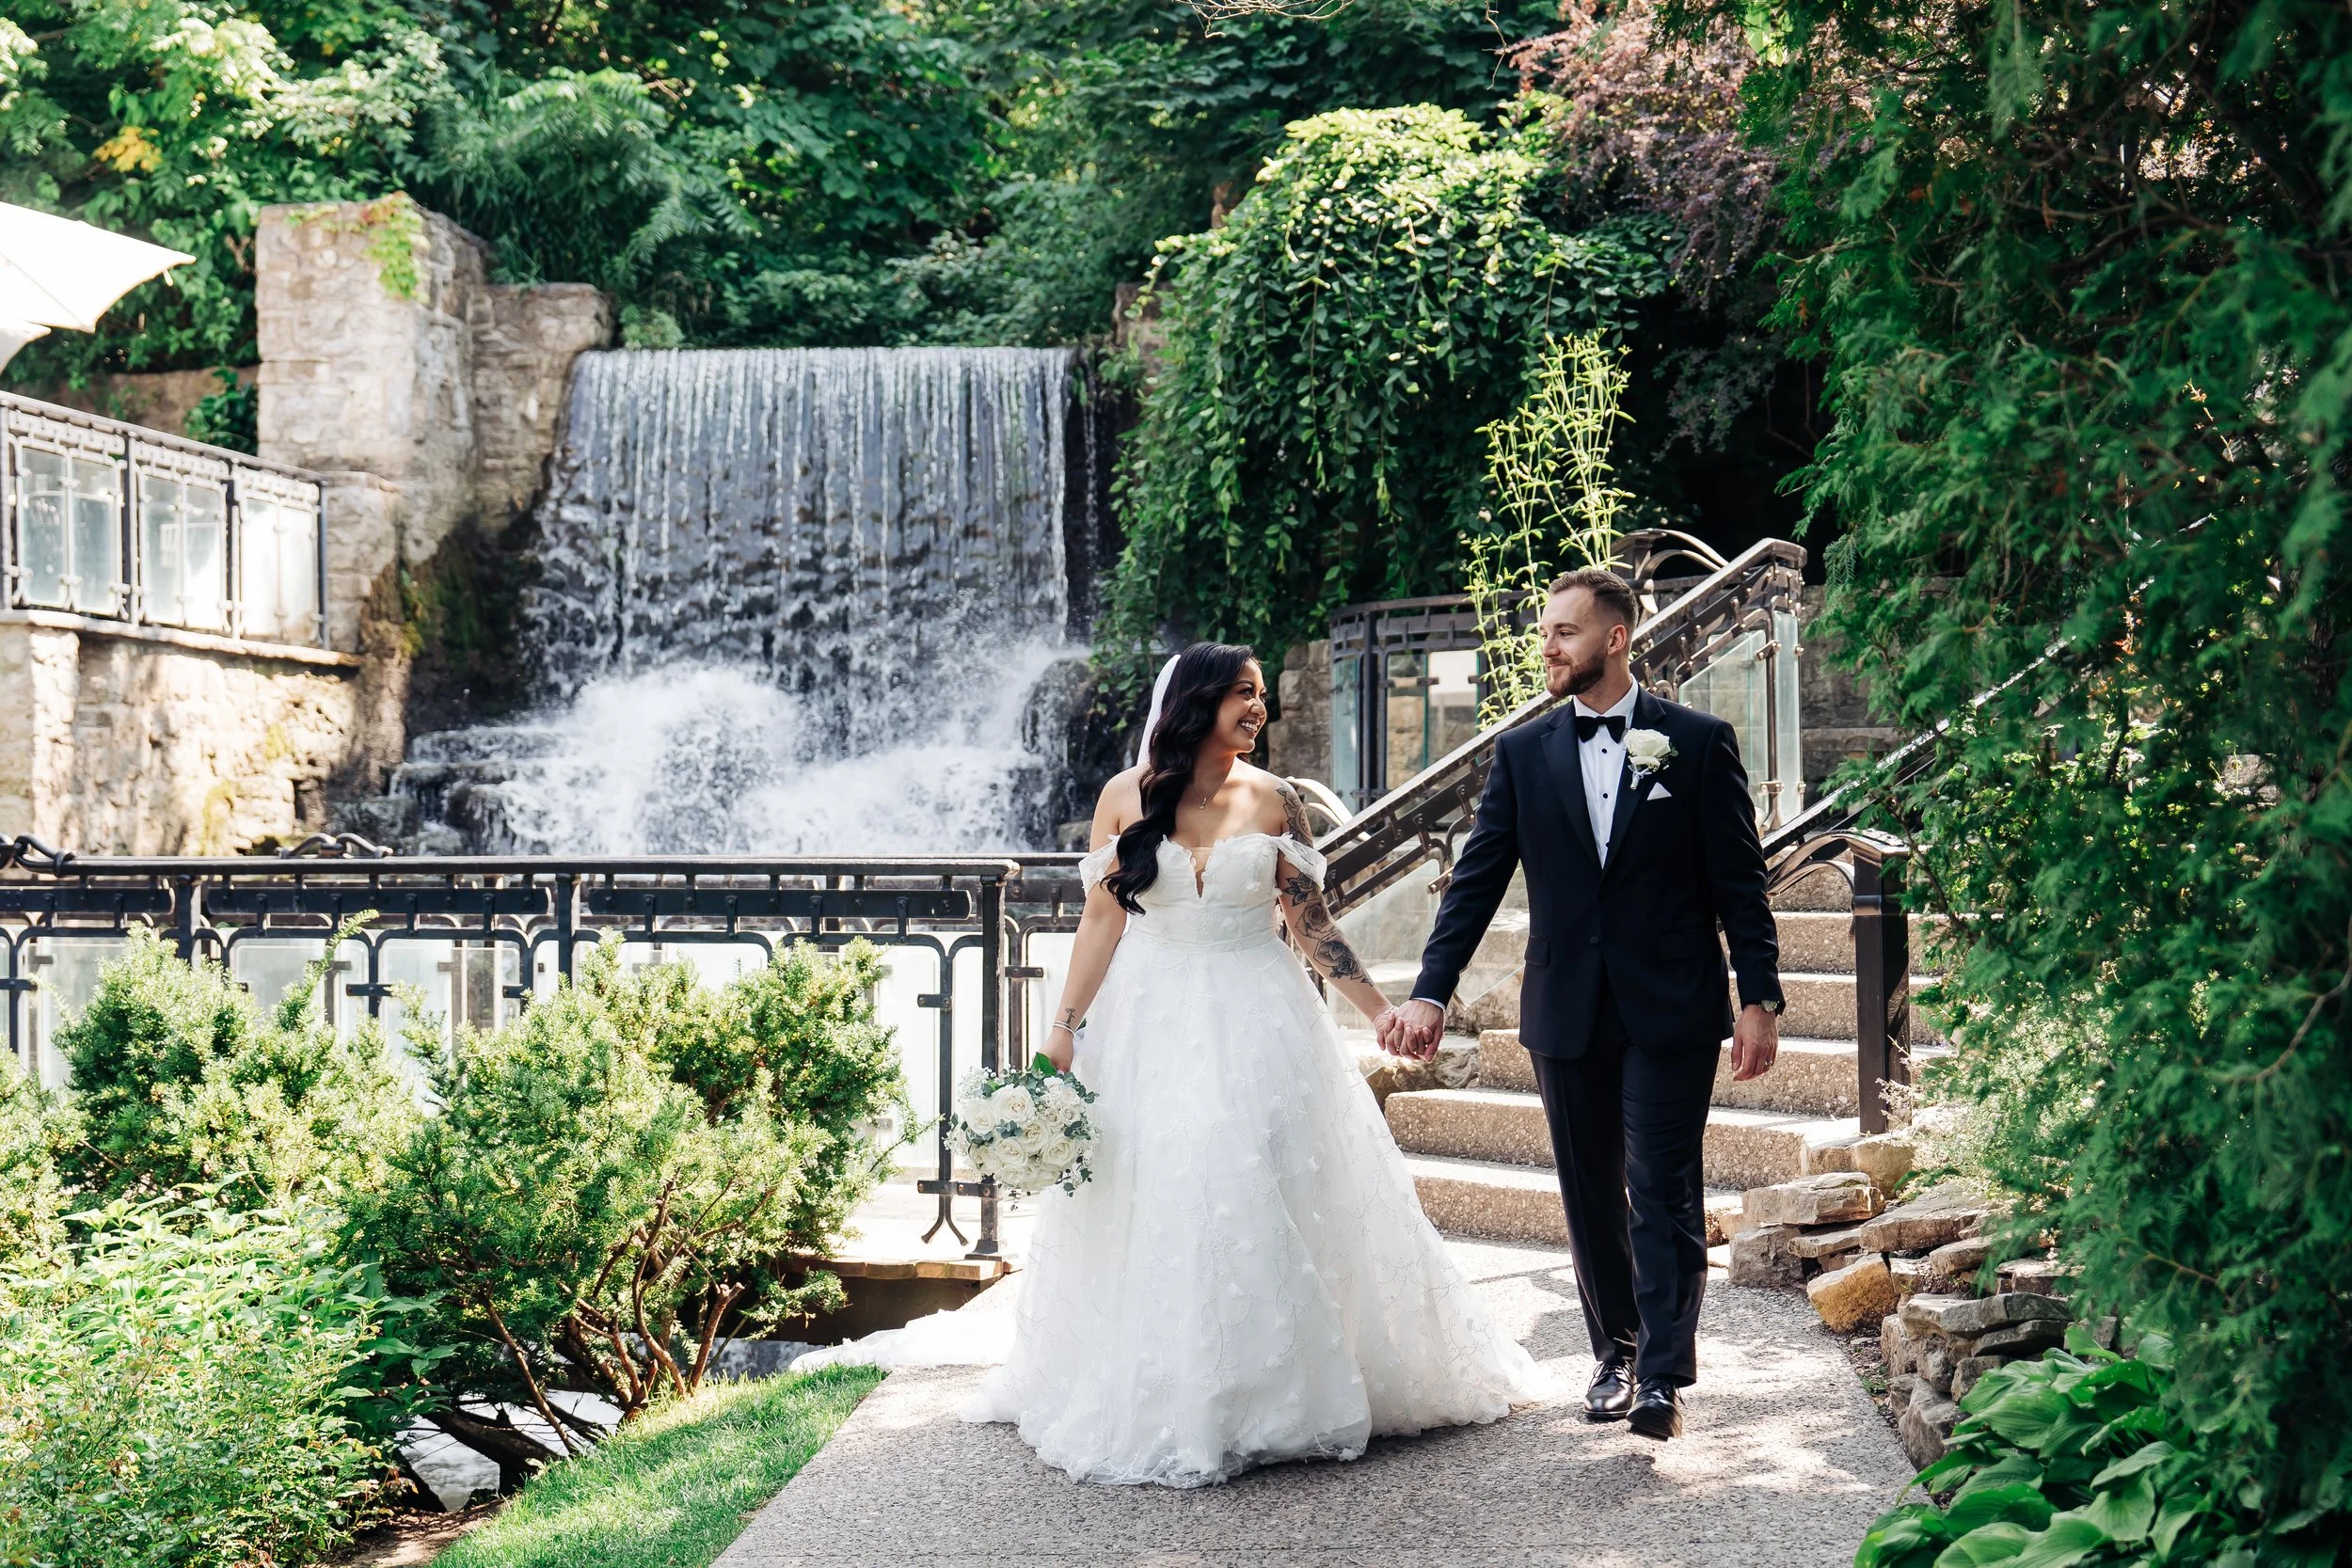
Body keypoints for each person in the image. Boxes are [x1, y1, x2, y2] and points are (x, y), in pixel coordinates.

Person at [962, 641, 1547, 1487]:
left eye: (1263, 695)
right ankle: (1179, 1384)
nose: (1259, 709)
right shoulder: (1125, 798)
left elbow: (1312, 922)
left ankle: (1275, 1383)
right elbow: (1101, 921)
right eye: (1244, 694)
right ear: (1199, 701)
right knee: (1166, 1180)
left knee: (1264, 1172)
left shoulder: (1275, 799)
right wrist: (1062, 1028)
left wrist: (1380, 1009)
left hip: (1261, 1010)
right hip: (1151, 1017)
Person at [1384, 567, 1783, 1443]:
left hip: (1672, 1001)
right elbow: (1477, 882)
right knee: (1588, 1187)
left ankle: (1664, 1378)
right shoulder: (1521, 756)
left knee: (1662, 1187)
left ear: (1615, 639)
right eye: (1546, 631)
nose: (1548, 647)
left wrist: (1759, 993)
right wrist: (1431, 989)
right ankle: (1616, 1350)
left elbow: (1740, 886)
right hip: (1566, 1003)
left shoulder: (1699, 741)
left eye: (1565, 631)